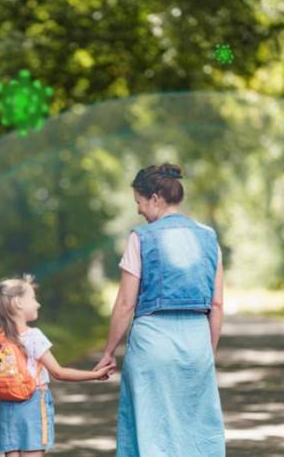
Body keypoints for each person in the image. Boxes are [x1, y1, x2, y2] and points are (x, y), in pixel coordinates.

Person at [92, 163, 226, 456]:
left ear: (155, 198)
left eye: (139, 202)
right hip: (196, 344)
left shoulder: (141, 238)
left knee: (151, 430)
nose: (139, 211)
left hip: (152, 345)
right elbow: (216, 304)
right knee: (197, 429)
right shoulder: (209, 238)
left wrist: (108, 352)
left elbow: (126, 304)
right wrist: (208, 351)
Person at [0, 274, 113, 457]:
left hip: (7, 404)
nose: (37, 304)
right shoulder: (33, 336)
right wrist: (94, 375)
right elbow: (59, 372)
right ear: (18, 303)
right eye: (32, 298)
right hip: (32, 402)